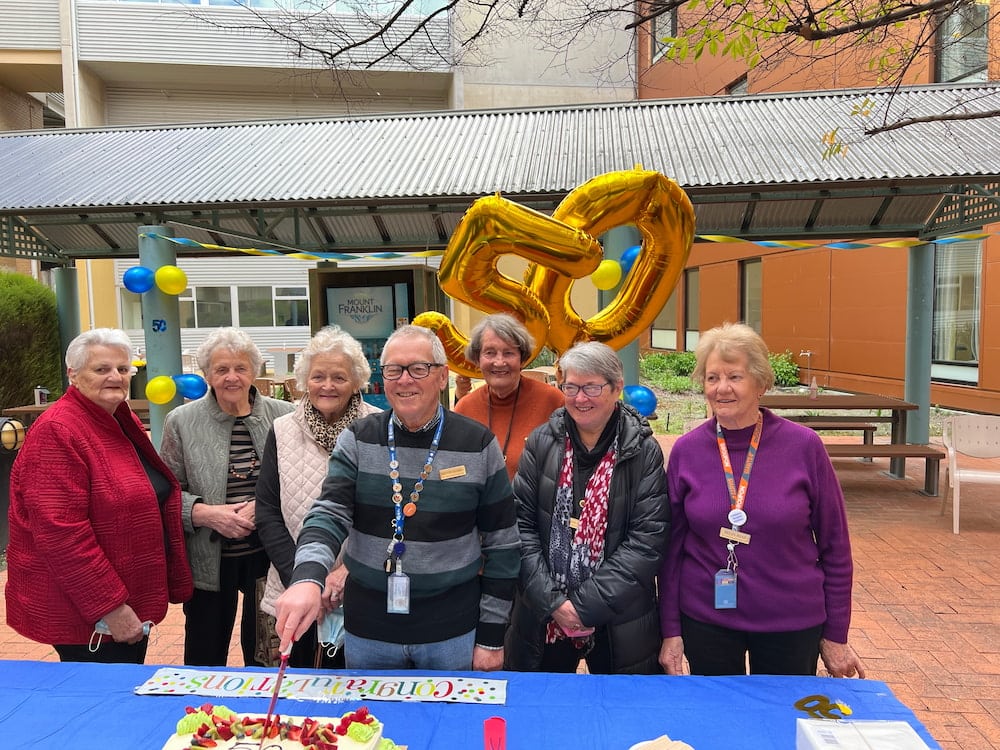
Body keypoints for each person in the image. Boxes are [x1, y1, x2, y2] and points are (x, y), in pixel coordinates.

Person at [274, 324, 520, 671]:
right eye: (393, 370)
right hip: (369, 632)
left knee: (448, 724)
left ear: (442, 376)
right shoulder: (358, 439)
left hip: (451, 631)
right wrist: (307, 579)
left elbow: (503, 544)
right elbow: (329, 514)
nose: (405, 379)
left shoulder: (477, 443)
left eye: (419, 368)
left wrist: (492, 636)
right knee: (372, 722)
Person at [658, 322, 866, 678]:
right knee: (719, 723)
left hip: (791, 620)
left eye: (734, 376)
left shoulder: (803, 447)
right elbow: (671, 550)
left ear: (761, 382)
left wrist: (836, 635)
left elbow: (835, 547)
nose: (721, 388)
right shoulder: (686, 451)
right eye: (712, 378)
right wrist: (671, 631)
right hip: (707, 620)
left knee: (783, 724)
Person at [5, 328, 192, 663]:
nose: (115, 377)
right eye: (101, 369)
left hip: (123, 600)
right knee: (104, 705)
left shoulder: (119, 418)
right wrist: (111, 607)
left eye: (123, 369)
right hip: (91, 615)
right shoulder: (57, 431)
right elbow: (62, 534)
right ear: (73, 374)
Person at [505, 341, 670, 674]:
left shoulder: (643, 451)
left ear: (617, 388)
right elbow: (519, 527)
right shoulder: (542, 442)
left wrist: (581, 608)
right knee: (546, 712)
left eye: (592, 387)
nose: (580, 399)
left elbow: (647, 541)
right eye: (571, 387)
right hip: (542, 614)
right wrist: (554, 603)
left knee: (620, 716)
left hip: (621, 621)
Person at [160, 327, 294, 667]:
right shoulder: (181, 421)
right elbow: (165, 492)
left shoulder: (284, 416)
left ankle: (262, 715)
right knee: (204, 653)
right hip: (208, 556)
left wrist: (264, 507)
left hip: (268, 555)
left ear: (255, 371)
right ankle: (201, 716)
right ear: (206, 374)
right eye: (221, 369)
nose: (232, 377)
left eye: (241, 368)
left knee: (266, 649)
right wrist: (205, 514)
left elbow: (298, 479)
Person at [255, 326, 381, 668]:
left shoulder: (379, 429)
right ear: (303, 381)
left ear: (356, 381)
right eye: (318, 376)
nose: (327, 385)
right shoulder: (281, 430)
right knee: (303, 688)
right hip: (296, 589)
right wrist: (304, 577)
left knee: (361, 690)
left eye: (339, 377)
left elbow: (388, 513)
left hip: (363, 586)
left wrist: (344, 573)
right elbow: (267, 512)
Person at [453, 314, 565, 479]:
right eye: (490, 353)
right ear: (477, 359)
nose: (499, 362)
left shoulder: (552, 401)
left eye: (508, 353)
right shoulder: (464, 408)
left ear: (522, 358)